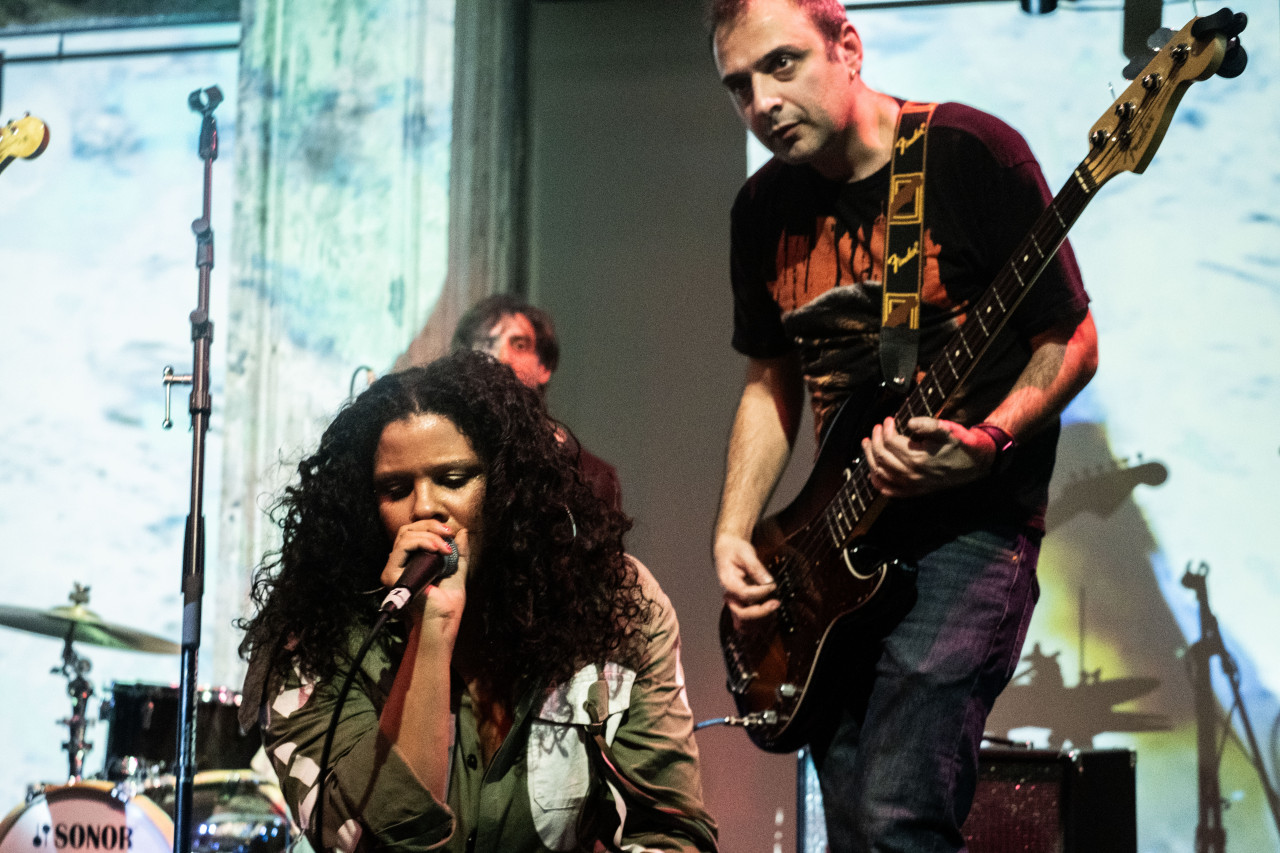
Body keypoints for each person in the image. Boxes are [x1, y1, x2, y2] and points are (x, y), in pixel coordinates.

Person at [707, 0, 1099, 850]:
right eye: (738, 86)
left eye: (781, 65)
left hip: (968, 533)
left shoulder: (968, 153)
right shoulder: (761, 209)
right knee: (850, 828)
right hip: (836, 547)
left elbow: (1069, 337)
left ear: (847, 47)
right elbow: (772, 379)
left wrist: (990, 438)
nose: (761, 102)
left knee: (896, 816)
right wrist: (737, 530)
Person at [237, 351, 717, 852]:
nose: (424, 507)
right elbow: (386, 843)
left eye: (453, 480)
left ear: (509, 487)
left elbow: (669, 830)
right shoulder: (316, 636)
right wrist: (430, 632)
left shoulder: (611, 606)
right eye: (396, 488)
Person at [451, 294, 622, 513]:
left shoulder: (591, 477)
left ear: (545, 367)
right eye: (487, 343)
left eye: (519, 345)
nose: (502, 358)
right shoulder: (439, 453)